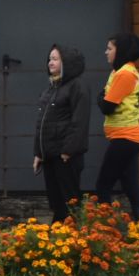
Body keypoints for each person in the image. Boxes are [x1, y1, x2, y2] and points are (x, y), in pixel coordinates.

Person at [35, 45, 91, 221]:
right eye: (50, 59)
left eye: (55, 59)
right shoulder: (52, 87)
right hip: (50, 154)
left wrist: (68, 150)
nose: (50, 62)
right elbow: (42, 123)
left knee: (69, 201)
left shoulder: (77, 86)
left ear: (66, 62)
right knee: (56, 201)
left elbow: (79, 121)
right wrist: (38, 152)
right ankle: (59, 238)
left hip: (65, 155)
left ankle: (73, 238)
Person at [96, 33, 139, 221]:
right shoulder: (119, 71)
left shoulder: (125, 73)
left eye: (109, 49)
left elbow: (107, 106)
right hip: (128, 138)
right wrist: (102, 98)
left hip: (125, 138)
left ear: (121, 51)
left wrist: (100, 99)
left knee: (103, 186)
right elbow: (104, 98)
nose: (106, 52)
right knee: (131, 188)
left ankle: (104, 230)